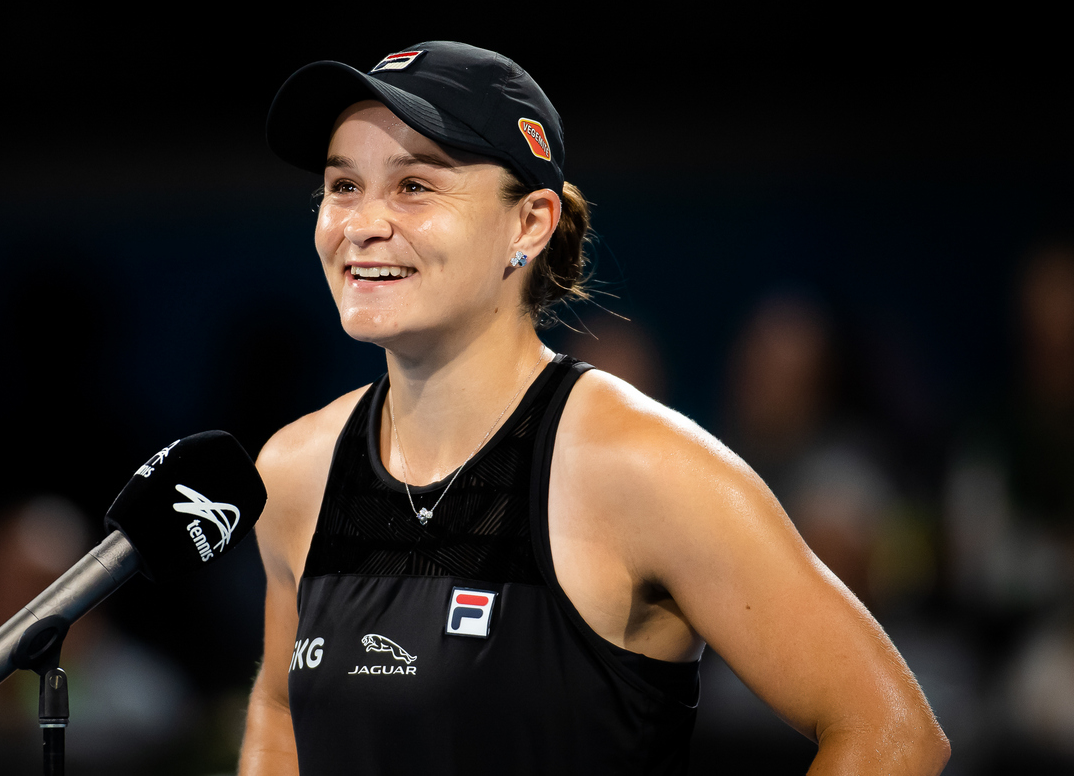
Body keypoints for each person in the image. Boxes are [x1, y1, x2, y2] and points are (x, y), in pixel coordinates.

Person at [239, 41, 949, 775]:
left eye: (414, 185)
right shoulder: (295, 471)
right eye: (343, 185)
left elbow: (892, 734)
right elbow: (279, 711)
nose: (360, 223)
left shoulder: (645, 469)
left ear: (530, 223)